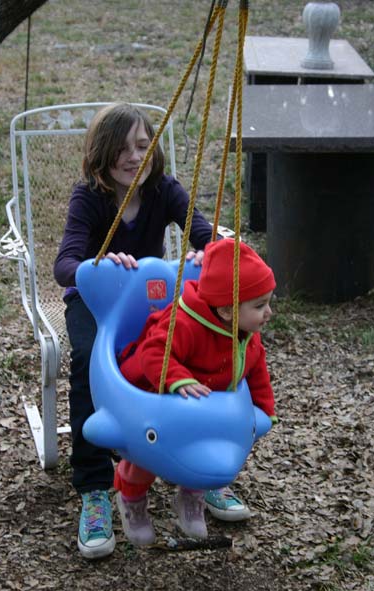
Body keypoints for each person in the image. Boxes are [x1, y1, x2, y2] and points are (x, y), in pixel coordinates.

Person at [53, 103, 248, 559]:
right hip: (98, 302)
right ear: (102, 154)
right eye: (122, 149)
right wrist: (96, 264)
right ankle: (95, 488)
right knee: (86, 361)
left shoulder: (164, 190)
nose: (135, 157)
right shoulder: (89, 197)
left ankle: (198, 473)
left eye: (143, 146)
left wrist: (212, 253)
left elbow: (202, 233)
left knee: (198, 352)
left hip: (154, 299)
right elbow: (64, 265)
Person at [115, 238, 278, 546]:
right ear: (228, 310)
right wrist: (177, 379)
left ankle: (191, 500)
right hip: (156, 393)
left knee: (203, 454)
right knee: (145, 460)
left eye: (269, 302)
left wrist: (265, 409)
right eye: (259, 305)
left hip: (204, 406)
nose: (268, 312)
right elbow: (153, 352)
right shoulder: (186, 324)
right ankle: (132, 500)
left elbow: (256, 371)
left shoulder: (246, 336)